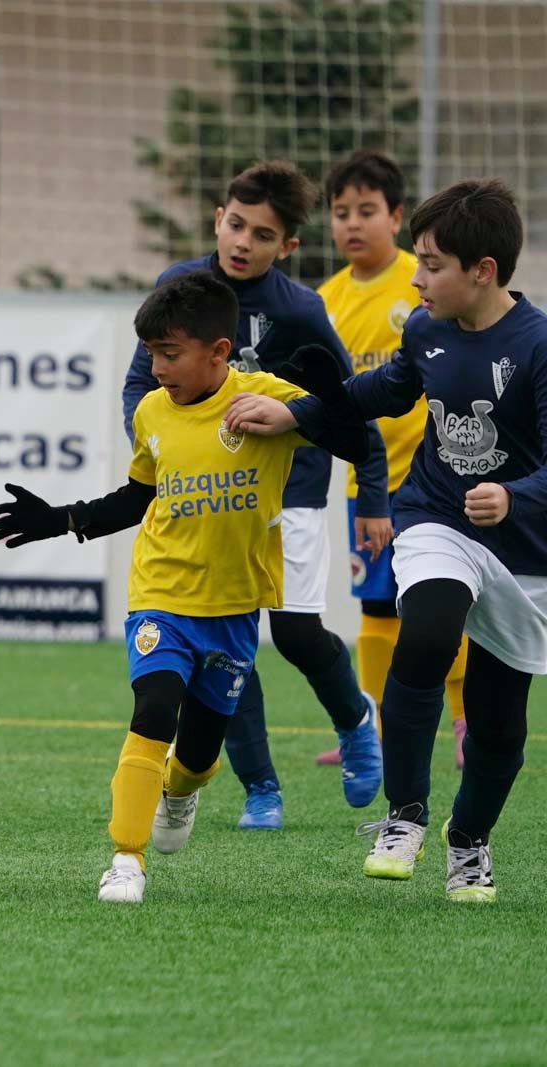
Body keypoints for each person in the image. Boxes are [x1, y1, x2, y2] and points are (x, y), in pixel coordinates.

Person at [0, 271, 371, 903]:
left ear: (219, 351)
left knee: (196, 755)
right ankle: (125, 859)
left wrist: (318, 402)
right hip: (161, 594)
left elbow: (355, 443)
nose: (157, 368)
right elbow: (139, 497)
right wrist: (64, 518)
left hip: (233, 609)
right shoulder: (151, 413)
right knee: (153, 709)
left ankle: (180, 790)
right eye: (151, 355)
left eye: (170, 354)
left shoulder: (265, 398)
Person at [225, 179, 547, 903]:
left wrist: (514, 495)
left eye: (431, 264)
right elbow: (384, 392)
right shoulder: (426, 329)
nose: (418, 276)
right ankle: (403, 816)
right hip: (435, 515)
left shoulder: (538, 345)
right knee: (425, 635)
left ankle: (469, 842)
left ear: (483, 272)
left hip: (525, 546)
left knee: (500, 723)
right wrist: (297, 413)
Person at [122, 160, 388, 832]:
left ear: (287, 247)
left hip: (288, 491)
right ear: (218, 218)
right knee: (219, 634)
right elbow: (137, 385)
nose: (244, 241)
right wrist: (160, 445)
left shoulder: (300, 310)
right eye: (236, 224)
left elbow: (346, 405)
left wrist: (375, 494)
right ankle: (261, 787)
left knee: (295, 632)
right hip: (204, 497)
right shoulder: (176, 288)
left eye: (262, 234)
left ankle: (356, 717)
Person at [313, 149, 468, 770]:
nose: (353, 224)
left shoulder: (424, 283)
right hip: (367, 488)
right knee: (377, 607)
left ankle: (464, 721)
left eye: (367, 211)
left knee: (441, 605)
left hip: (434, 481)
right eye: (341, 212)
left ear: (396, 216)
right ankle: (367, 725)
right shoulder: (323, 302)